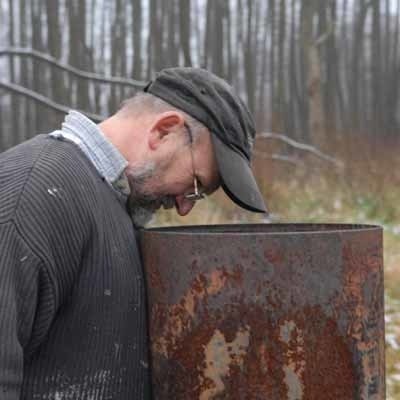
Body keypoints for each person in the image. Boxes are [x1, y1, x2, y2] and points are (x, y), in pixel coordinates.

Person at [0, 67, 267, 399]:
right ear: (164, 131)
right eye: (196, 185)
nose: (185, 208)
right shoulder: (32, 191)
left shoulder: (115, 204)